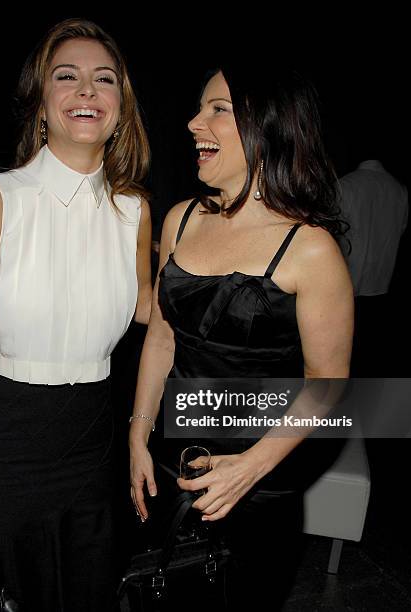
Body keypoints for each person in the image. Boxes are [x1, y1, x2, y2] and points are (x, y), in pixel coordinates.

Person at [0, 18, 151, 611]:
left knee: (88, 594)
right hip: (4, 436)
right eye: (68, 77)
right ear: (40, 102)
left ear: (120, 106)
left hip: (92, 437)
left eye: (103, 79)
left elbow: (150, 313)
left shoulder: (135, 210)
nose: (87, 90)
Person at [129, 66, 353, 610]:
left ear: (267, 128)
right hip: (177, 449)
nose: (192, 122)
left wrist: (249, 468)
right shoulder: (179, 220)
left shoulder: (310, 248)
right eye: (200, 107)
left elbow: (328, 385)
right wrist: (138, 434)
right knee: (170, 590)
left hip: (263, 472)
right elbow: (161, 335)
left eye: (217, 109)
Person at [338, 159, 409, 376]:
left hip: (349, 283)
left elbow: (333, 230)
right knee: (373, 355)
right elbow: (402, 228)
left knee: (344, 354)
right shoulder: (399, 189)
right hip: (382, 282)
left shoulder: (345, 185)